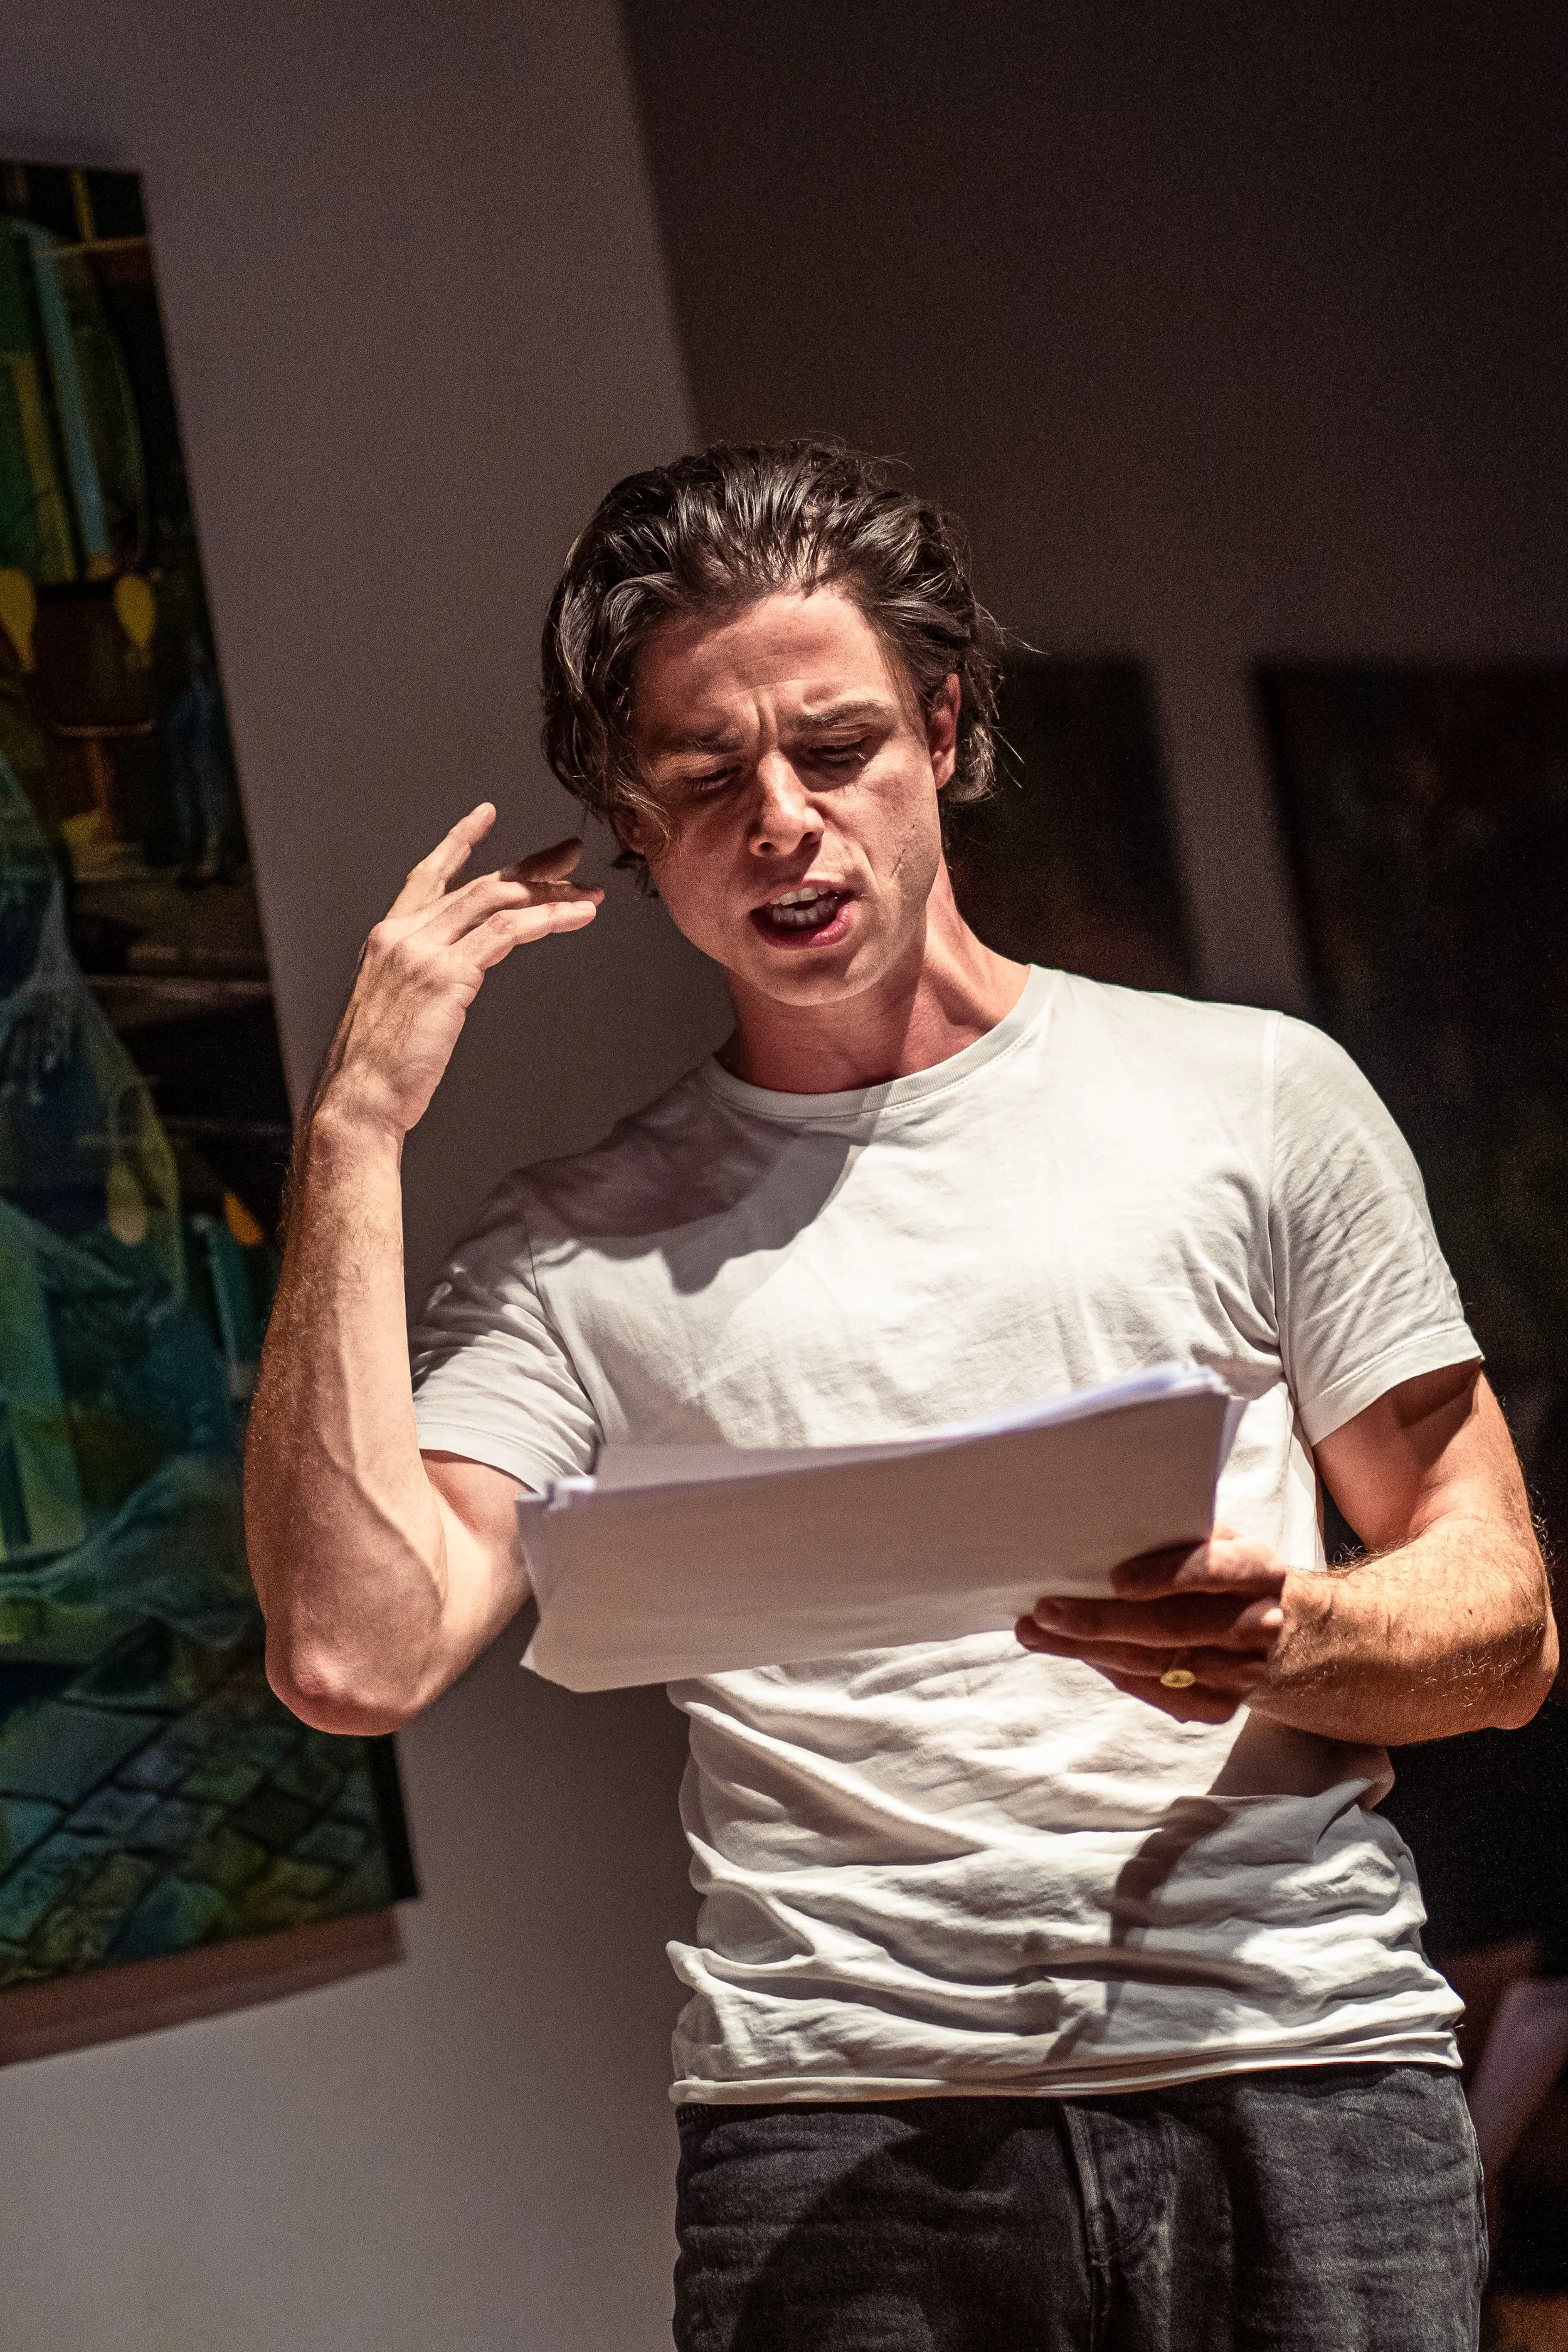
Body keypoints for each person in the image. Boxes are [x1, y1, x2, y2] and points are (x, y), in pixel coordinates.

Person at [244, 443, 1556, 2351]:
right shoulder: (572, 1249)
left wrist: (1284, 1628)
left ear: (941, 727)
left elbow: (1498, 1624)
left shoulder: (1250, 1097)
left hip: (1291, 2062)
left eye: (833, 746)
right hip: (835, 2114)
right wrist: (352, 1130)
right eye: (701, 777)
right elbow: (353, 1656)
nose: (778, 818)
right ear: (628, 814)